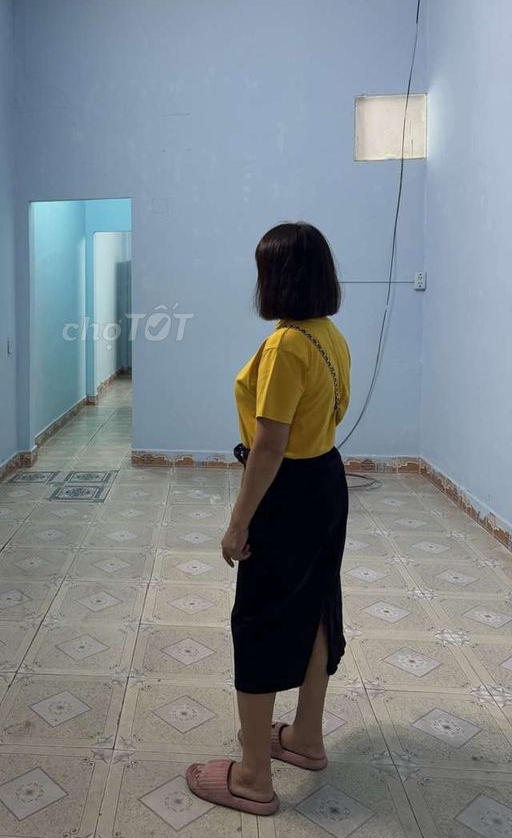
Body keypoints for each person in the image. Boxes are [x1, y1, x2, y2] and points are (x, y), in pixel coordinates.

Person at [186, 222, 351, 815]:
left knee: (257, 619)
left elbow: (270, 445)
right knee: (317, 605)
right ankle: (305, 737)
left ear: (277, 277)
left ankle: (253, 776)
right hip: (326, 481)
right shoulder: (328, 334)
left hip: (288, 494)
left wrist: (238, 523)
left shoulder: (285, 345)